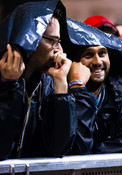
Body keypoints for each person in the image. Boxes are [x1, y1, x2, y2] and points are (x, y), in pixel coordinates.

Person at [0, 0, 74, 160]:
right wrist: (9, 87)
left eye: (59, 41)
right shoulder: (4, 81)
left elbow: (58, 149)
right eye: (51, 40)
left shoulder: (46, 84)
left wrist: (61, 86)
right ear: (26, 39)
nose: (59, 49)